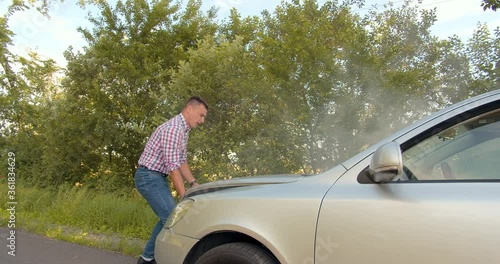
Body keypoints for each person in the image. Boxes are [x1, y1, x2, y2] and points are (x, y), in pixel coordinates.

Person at [134, 96, 208, 264]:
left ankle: (150, 256)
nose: (202, 120)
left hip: (157, 177)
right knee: (170, 216)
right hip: (148, 176)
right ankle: (147, 259)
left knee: (168, 216)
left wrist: (193, 183)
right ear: (189, 109)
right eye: (201, 115)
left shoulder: (184, 129)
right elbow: (173, 167)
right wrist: (183, 196)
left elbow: (181, 160)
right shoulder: (174, 129)